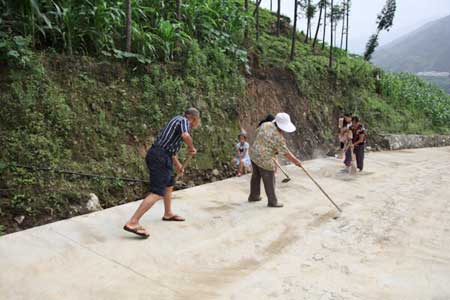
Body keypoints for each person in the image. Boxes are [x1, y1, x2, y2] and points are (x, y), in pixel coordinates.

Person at [123, 108, 201, 238]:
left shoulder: (175, 122)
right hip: (159, 157)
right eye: (197, 121)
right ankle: (133, 222)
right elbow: (186, 136)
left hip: (162, 155)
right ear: (193, 118)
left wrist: (178, 165)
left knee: (169, 183)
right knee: (158, 192)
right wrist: (191, 148)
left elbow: (170, 150)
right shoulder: (183, 121)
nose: (196, 124)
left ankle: (168, 213)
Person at [248, 112, 303, 208]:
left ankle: (254, 196)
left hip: (254, 154)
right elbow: (286, 153)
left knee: (255, 176)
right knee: (269, 179)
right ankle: (272, 201)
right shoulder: (278, 137)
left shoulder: (265, 124)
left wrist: (268, 147)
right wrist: (296, 161)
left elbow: (257, 134)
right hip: (265, 160)